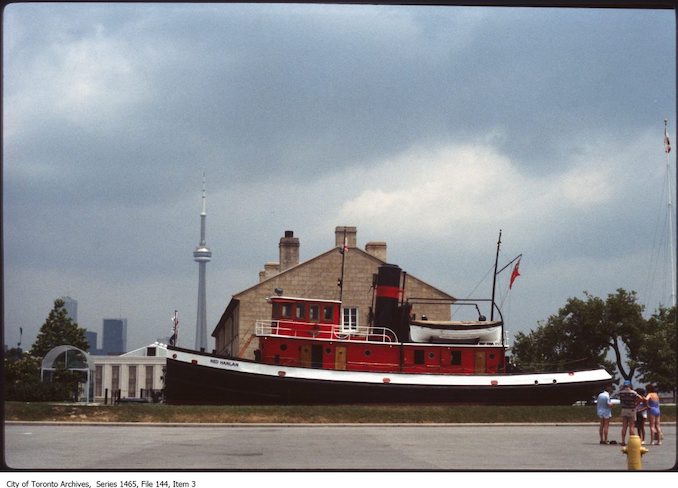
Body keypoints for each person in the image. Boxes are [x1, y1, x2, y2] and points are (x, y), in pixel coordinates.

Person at [619, 380, 643, 446]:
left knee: (624, 426)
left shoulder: (621, 393)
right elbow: (641, 398)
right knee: (631, 426)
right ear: (630, 385)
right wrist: (636, 404)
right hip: (631, 409)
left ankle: (623, 441)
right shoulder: (633, 393)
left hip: (624, 409)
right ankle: (631, 441)